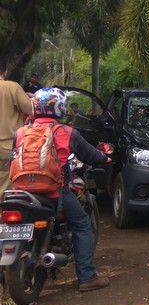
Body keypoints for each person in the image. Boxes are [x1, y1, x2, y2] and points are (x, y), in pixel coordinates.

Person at [15, 87, 111, 293]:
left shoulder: (21, 132)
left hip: (22, 191)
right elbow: (90, 155)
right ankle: (87, 277)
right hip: (55, 191)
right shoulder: (67, 132)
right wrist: (105, 158)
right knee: (82, 226)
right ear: (60, 108)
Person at [0, 58, 34, 196]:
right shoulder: (12, 87)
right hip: (7, 147)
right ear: (5, 71)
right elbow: (30, 109)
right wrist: (29, 98)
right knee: (4, 187)